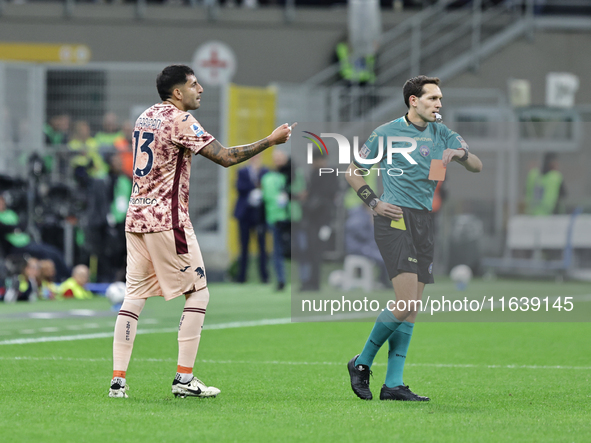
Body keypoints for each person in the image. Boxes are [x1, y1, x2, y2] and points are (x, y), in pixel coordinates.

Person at [109, 64, 294, 399]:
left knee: (133, 298)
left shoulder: (145, 116)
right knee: (199, 292)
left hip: (135, 217)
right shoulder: (179, 119)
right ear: (177, 92)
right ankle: (184, 379)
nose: (201, 90)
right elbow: (224, 157)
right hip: (168, 219)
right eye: (194, 85)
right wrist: (271, 141)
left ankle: (118, 381)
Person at [345, 75, 482, 401]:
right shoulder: (386, 133)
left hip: (423, 221)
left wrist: (458, 155)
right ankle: (361, 362)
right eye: (433, 98)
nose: (438, 104)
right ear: (413, 101)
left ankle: (393, 384)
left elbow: (476, 164)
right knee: (405, 302)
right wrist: (374, 202)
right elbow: (352, 171)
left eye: (440, 99)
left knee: (413, 307)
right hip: (395, 220)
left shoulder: (442, 132)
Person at [233, 153, 269, 284]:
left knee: (262, 246)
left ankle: (264, 277)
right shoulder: (242, 171)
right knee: (243, 247)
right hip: (245, 214)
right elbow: (239, 187)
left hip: (259, 215)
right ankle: (241, 277)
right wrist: (253, 189)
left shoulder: (265, 171)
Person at [261, 149, 290, 291]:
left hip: (290, 217)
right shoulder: (268, 178)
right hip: (275, 219)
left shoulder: (290, 175)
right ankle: (281, 279)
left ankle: (306, 280)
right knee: (277, 251)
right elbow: (267, 199)